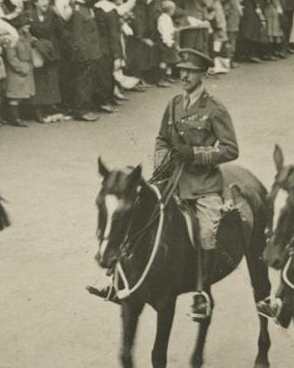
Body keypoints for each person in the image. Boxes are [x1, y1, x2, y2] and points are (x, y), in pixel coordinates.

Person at [88, 48, 240, 322]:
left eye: (190, 71)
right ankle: (115, 281)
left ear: (201, 74)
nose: (183, 75)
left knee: (206, 232)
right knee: (133, 215)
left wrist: (194, 154)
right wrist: (163, 162)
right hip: (172, 179)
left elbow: (230, 150)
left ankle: (202, 294)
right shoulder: (173, 104)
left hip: (203, 184)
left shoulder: (214, 109)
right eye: (181, 70)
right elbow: (161, 139)